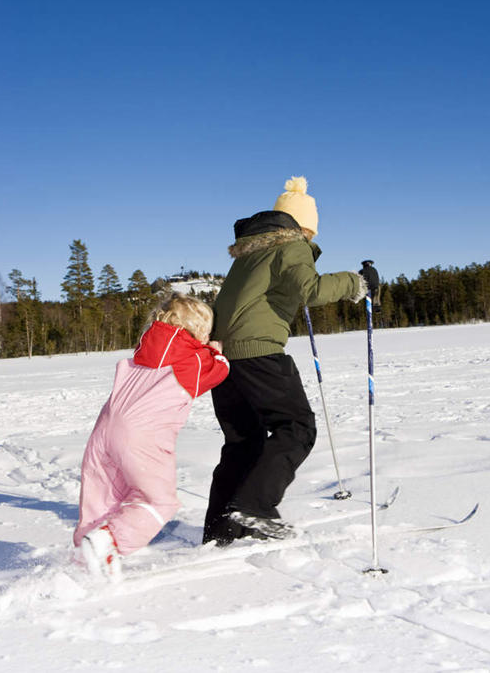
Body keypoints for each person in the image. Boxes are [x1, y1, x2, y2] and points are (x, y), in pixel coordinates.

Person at [203, 176, 377, 546]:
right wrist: (357, 283)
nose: (311, 239)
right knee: (297, 427)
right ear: (303, 226)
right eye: (311, 232)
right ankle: (255, 506)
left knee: (242, 442)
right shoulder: (291, 245)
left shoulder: (250, 253)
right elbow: (311, 290)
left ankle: (221, 530)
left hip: (223, 358)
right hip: (259, 352)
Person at [74, 294, 229, 579]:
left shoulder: (145, 349)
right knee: (158, 500)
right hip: (142, 435)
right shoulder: (192, 360)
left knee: (103, 498)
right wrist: (216, 352)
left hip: (105, 428)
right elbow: (218, 371)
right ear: (199, 331)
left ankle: (85, 559)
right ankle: (109, 541)